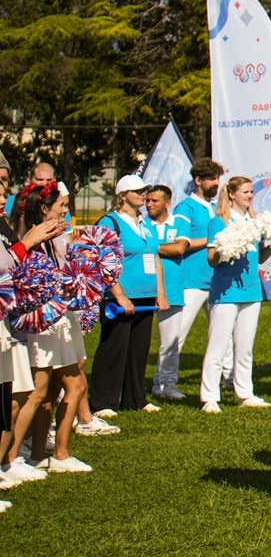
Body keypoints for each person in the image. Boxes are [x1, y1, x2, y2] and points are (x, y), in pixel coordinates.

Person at [2, 179, 78, 483]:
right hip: (33, 321)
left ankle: (20, 455)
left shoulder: (50, 237)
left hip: (50, 317)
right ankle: (15, 456)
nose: (65, 213)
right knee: (31, 392)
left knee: (35, 392)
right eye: (60, 206)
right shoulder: (24, 235)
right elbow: (14, 269)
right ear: (43, 208)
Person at [199, 175, 271, 412]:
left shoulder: (254, 221)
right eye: (245, 192)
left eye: (252, 192)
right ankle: (210, 396)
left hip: (251, 291)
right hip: (226, 291)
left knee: (245, 346)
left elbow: (259, 258)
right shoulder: (219, 221)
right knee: (218, 344)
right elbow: (211, 260)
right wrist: (225, 250)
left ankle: (245, 392)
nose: (250, 196)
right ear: (232, 194)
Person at [153, 157, 225, 402]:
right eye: (211, 179)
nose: (216, 183)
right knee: (176, 336)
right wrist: (213, 240)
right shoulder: (186, 208)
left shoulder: (215, 208)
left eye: (218, 178)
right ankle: (163, 384)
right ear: (198, 181)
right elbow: (180, 245)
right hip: (191, 280)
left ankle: (225, 379)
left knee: (221, 334)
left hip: (215, 280)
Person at [93, 175, 164, 417]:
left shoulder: (145, 222)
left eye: (145, 190)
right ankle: (103, 401)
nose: (143, 195)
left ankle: (135, 398)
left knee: (138, 349)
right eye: (137, 191)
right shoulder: (109, 222)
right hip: (118, 298)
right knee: (114, 348)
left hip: (145, 296)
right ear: (122, 195)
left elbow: (155, 258)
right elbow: (103, 261)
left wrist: (160, 294)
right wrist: (120, 296)